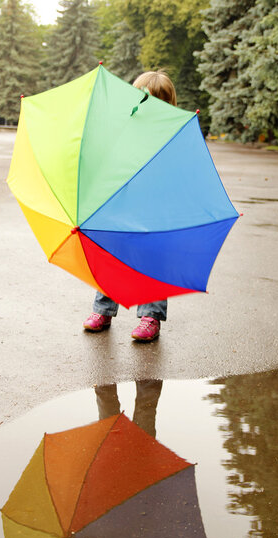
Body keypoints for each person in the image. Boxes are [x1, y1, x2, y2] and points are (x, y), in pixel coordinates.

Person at [83, 70, 177, 342]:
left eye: (155, 101)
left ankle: (151, 316)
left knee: (152, 261)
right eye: (142, 98)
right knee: (113, 255)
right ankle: (103, 310)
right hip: (122, 204)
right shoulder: (125, 126)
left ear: (167, 104)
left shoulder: (172, 131)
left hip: (156, 209)